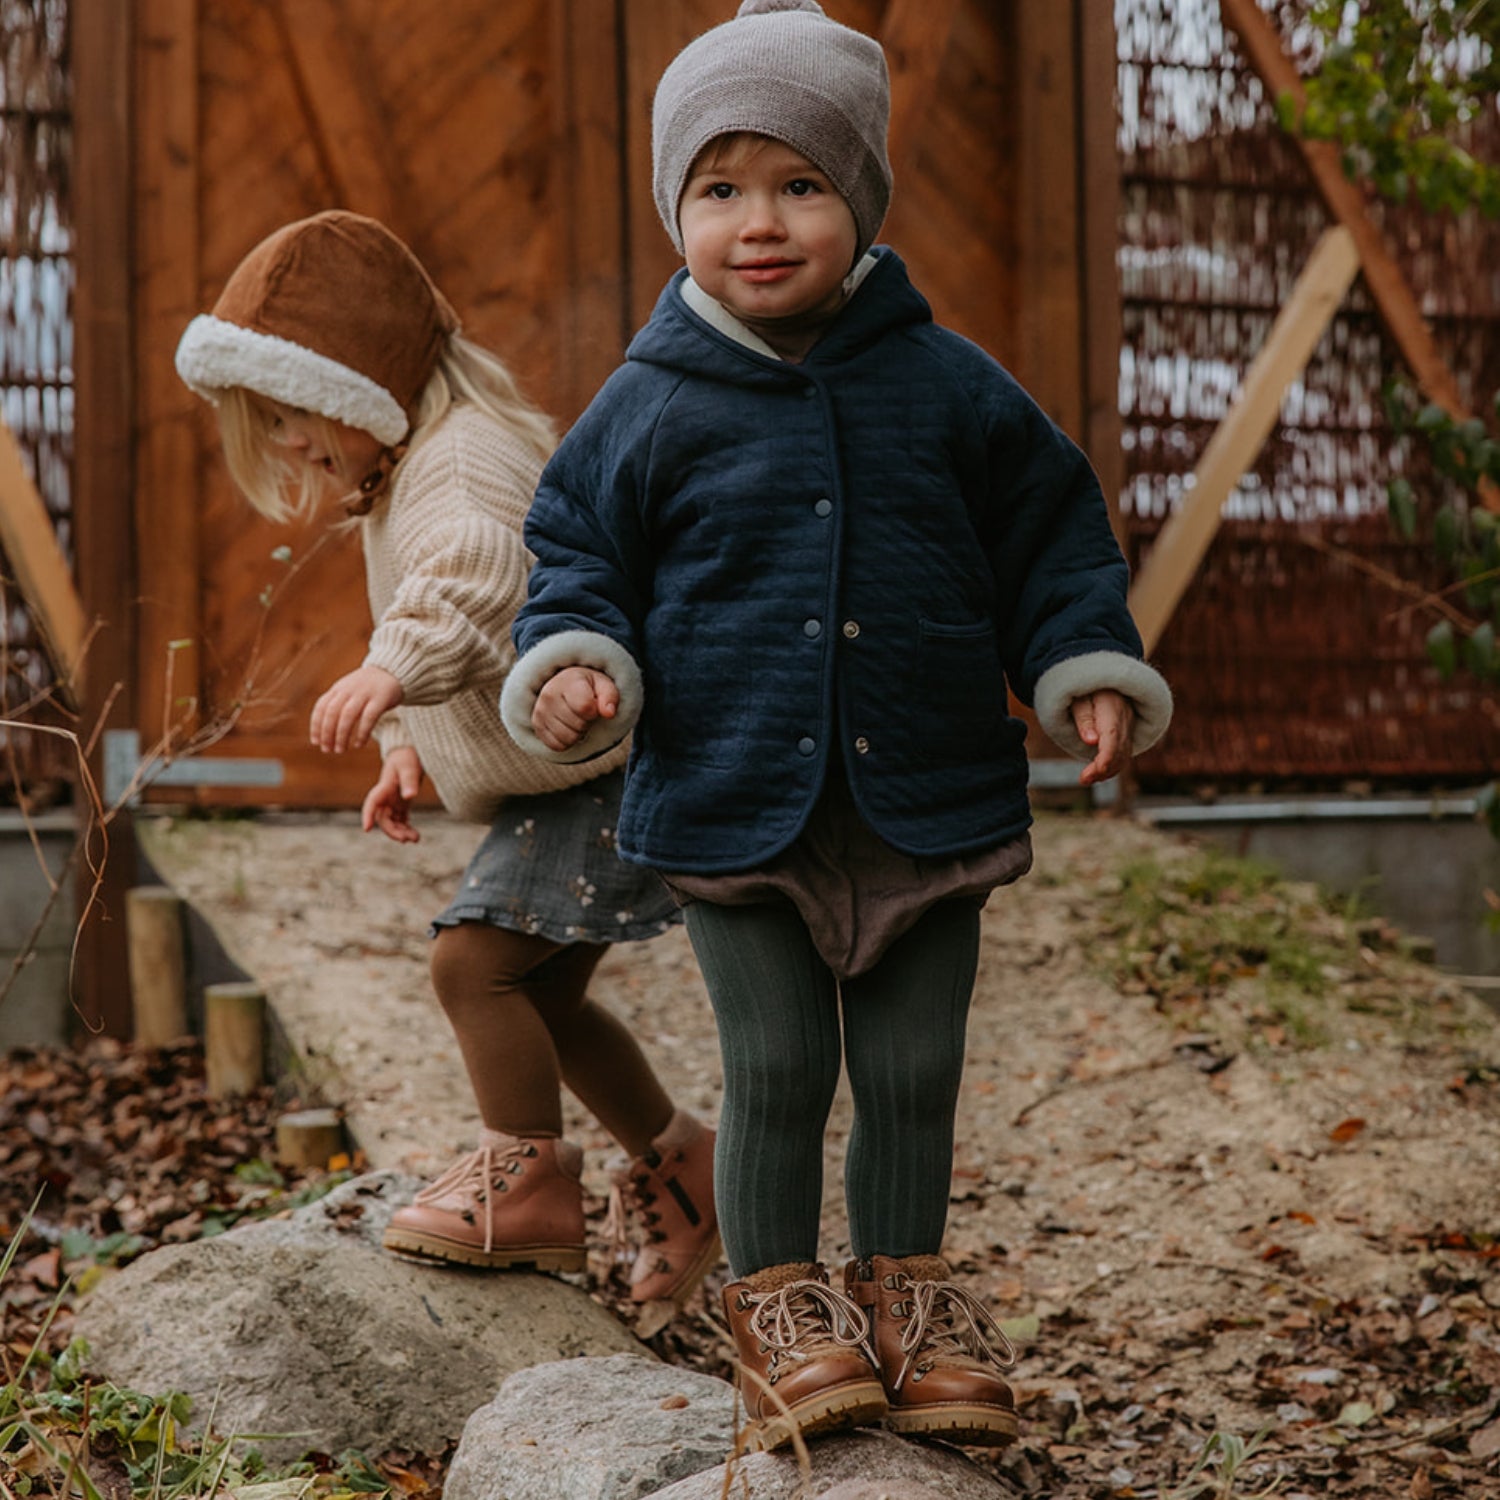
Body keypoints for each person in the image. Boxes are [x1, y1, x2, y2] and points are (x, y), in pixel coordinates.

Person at [500, 0, 1172, 1453]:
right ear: (676, 208)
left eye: (801, 183)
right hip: (735, 796)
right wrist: (569, 660)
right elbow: (575, 555)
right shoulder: (649, 401)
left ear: (861, 198)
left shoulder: (949, 384)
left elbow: (1052, 538)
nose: (759, 223)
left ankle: (909, 1303)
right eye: (719, 188)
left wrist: (1083, 663)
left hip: (931, 792)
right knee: (783, 1069)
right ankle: (782, 1314)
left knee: (916, 1070)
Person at [174, 210, 719, 1310]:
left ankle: (529, 1180)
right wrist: (405, 744)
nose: (291, 446)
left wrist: (391, 673)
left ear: (362, 385)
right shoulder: (409, 468)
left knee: (472, 967)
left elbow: (474, 580)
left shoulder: (460, 461)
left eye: (292, 416)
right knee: (541, 996)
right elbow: (438, 623)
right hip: (569, 767)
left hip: (601, 761)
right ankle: (683, 1170)